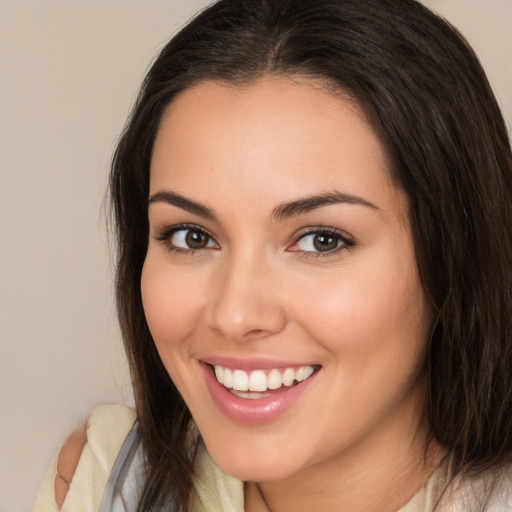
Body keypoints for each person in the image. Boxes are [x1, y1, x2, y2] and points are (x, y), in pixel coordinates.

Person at [34, 0, 512, 510]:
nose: (235, 314)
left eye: (321, 240)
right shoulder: (108, 480)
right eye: (192, 236)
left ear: (455, 255)